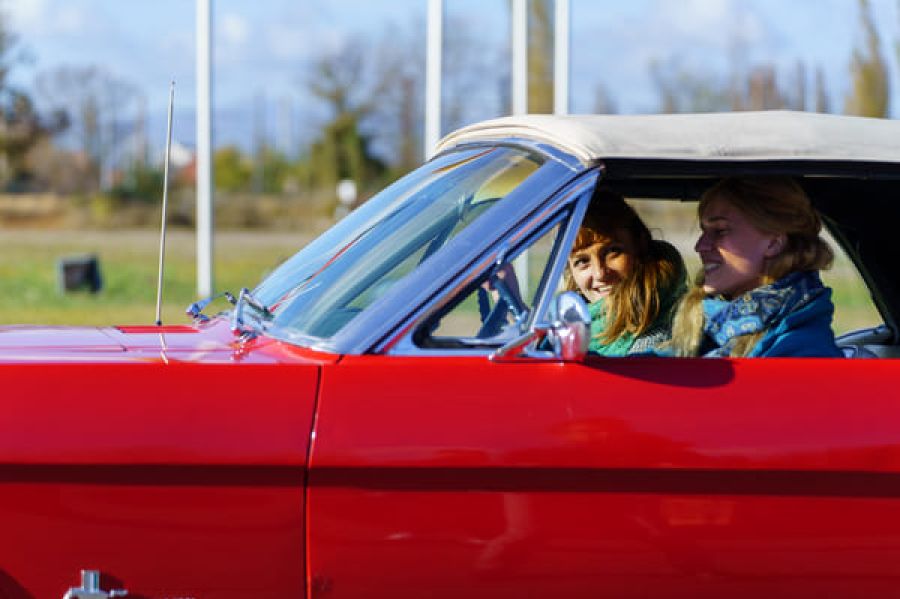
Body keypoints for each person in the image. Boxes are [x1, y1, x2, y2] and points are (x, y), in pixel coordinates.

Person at [667, 177, 842, 358]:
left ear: (773, 243)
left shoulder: (803, 355)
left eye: (720, 231)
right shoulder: (706, 325)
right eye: (704, 231)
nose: (700, 246)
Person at [564, 189, 687, 355]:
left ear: (640, 245)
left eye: (612, 251)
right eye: (582, 261)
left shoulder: (658, 338)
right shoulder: (559, 324)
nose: (600, 274)